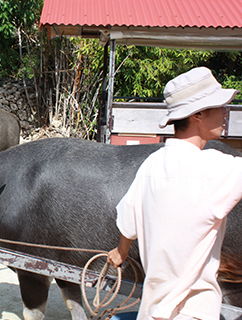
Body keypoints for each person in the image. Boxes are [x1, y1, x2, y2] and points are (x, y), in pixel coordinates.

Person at [107, 67, 242, 320]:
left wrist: (121, 252)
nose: (226, 113)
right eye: (220, 106)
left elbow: (127, 223)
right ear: (198, 113)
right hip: (195, 313)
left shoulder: (150, 165)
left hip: (151, 312)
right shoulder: (217, 168)